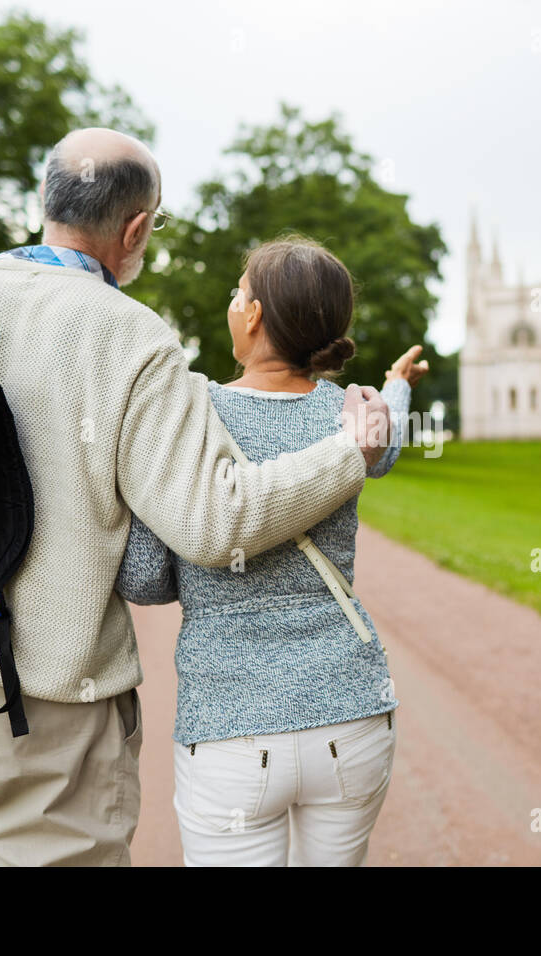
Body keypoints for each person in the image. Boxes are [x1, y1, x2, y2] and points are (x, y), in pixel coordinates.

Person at [0, 129, 391, 866]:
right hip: (38, 701)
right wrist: (346, 454)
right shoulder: (128, 334)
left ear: (47, 199)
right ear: (135, 229)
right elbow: (213, 522)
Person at [117, 236, 429, 866]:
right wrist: (395, 385)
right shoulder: (353, 417)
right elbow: (387, 445)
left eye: (238, 294)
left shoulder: (193, 416)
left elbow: (146, 579)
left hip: (231, 732)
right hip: (353, 716)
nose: (233, 304)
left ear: (254, 314)